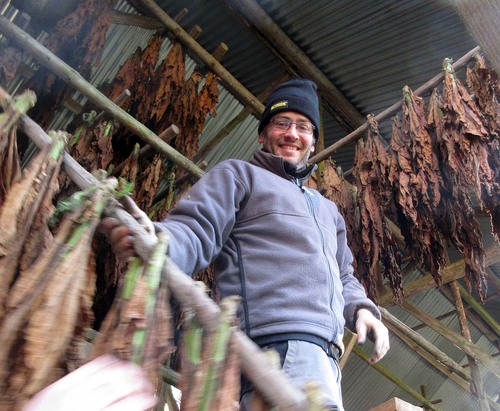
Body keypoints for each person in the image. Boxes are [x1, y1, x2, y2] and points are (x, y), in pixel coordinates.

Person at [101, 78, 390, 410]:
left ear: (312, 141)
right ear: (263, 134)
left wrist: (362, 310)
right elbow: (196, 229)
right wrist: (159, 240)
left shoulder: (327, 209)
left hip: (326, 355)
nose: (292, 133)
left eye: (303, 126)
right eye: (282, 123)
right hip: (277, 345)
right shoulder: (239, 176)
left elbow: (344, 276)